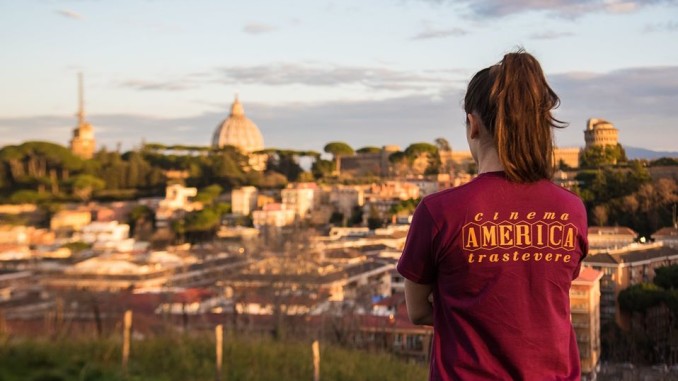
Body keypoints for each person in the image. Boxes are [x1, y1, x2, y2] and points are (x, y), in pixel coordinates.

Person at [397, 49, 588, 380]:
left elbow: (417, 311)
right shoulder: (572, 210)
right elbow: (545, 299)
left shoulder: (438, 212)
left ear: (473, 125)